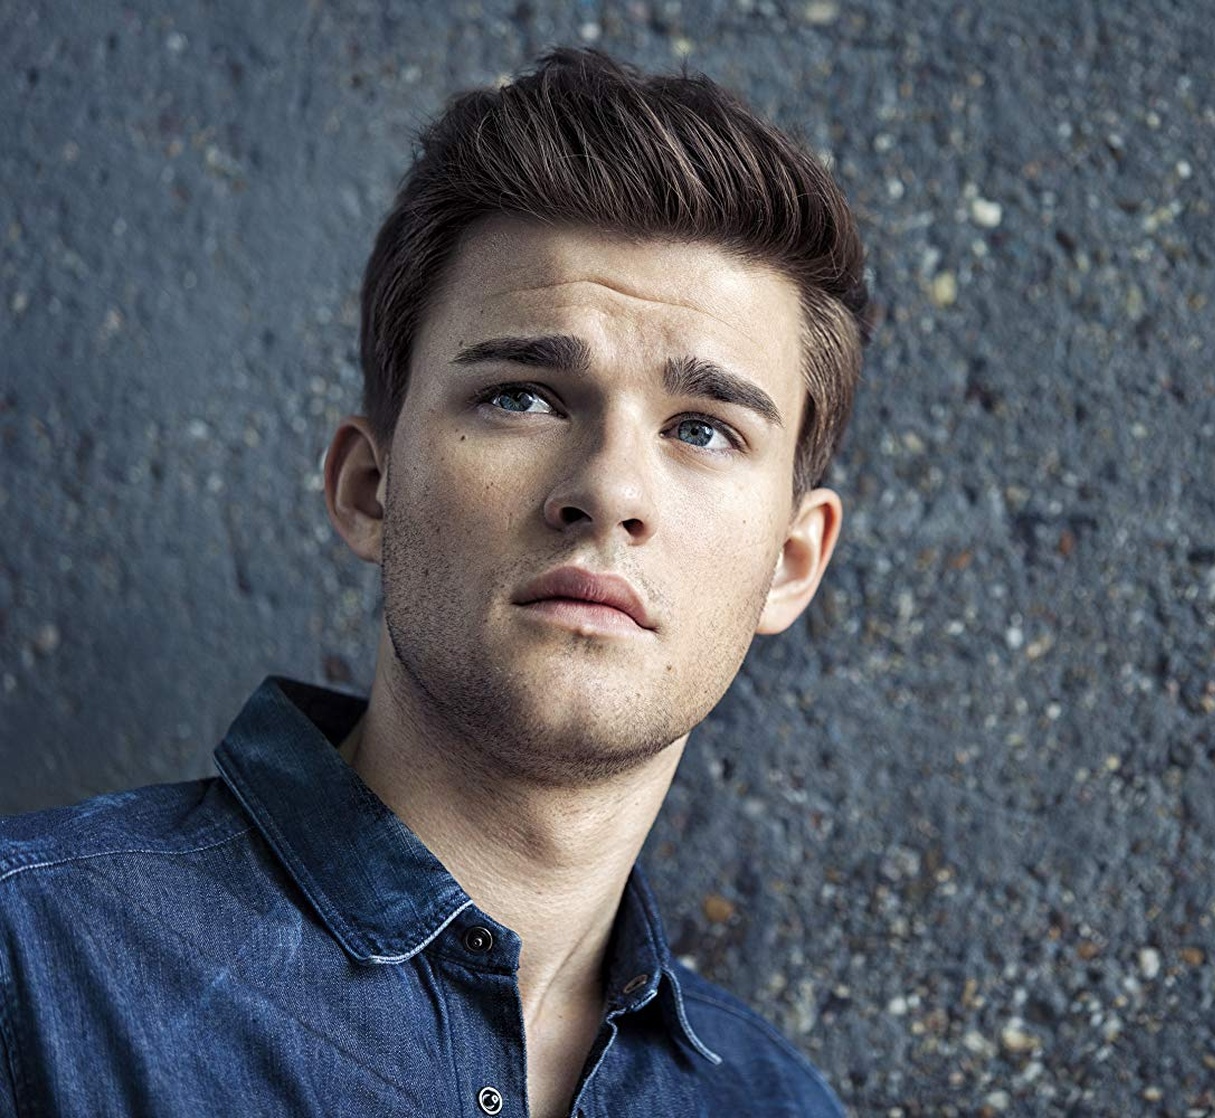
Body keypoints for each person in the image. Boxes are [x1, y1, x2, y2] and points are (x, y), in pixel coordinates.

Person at [0, 47, 867, 1117]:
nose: (608, 491)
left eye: (702, 429)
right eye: (522, 397)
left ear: (791, 562)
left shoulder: (780, 1105)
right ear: (370, 487)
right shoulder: (32, 965)